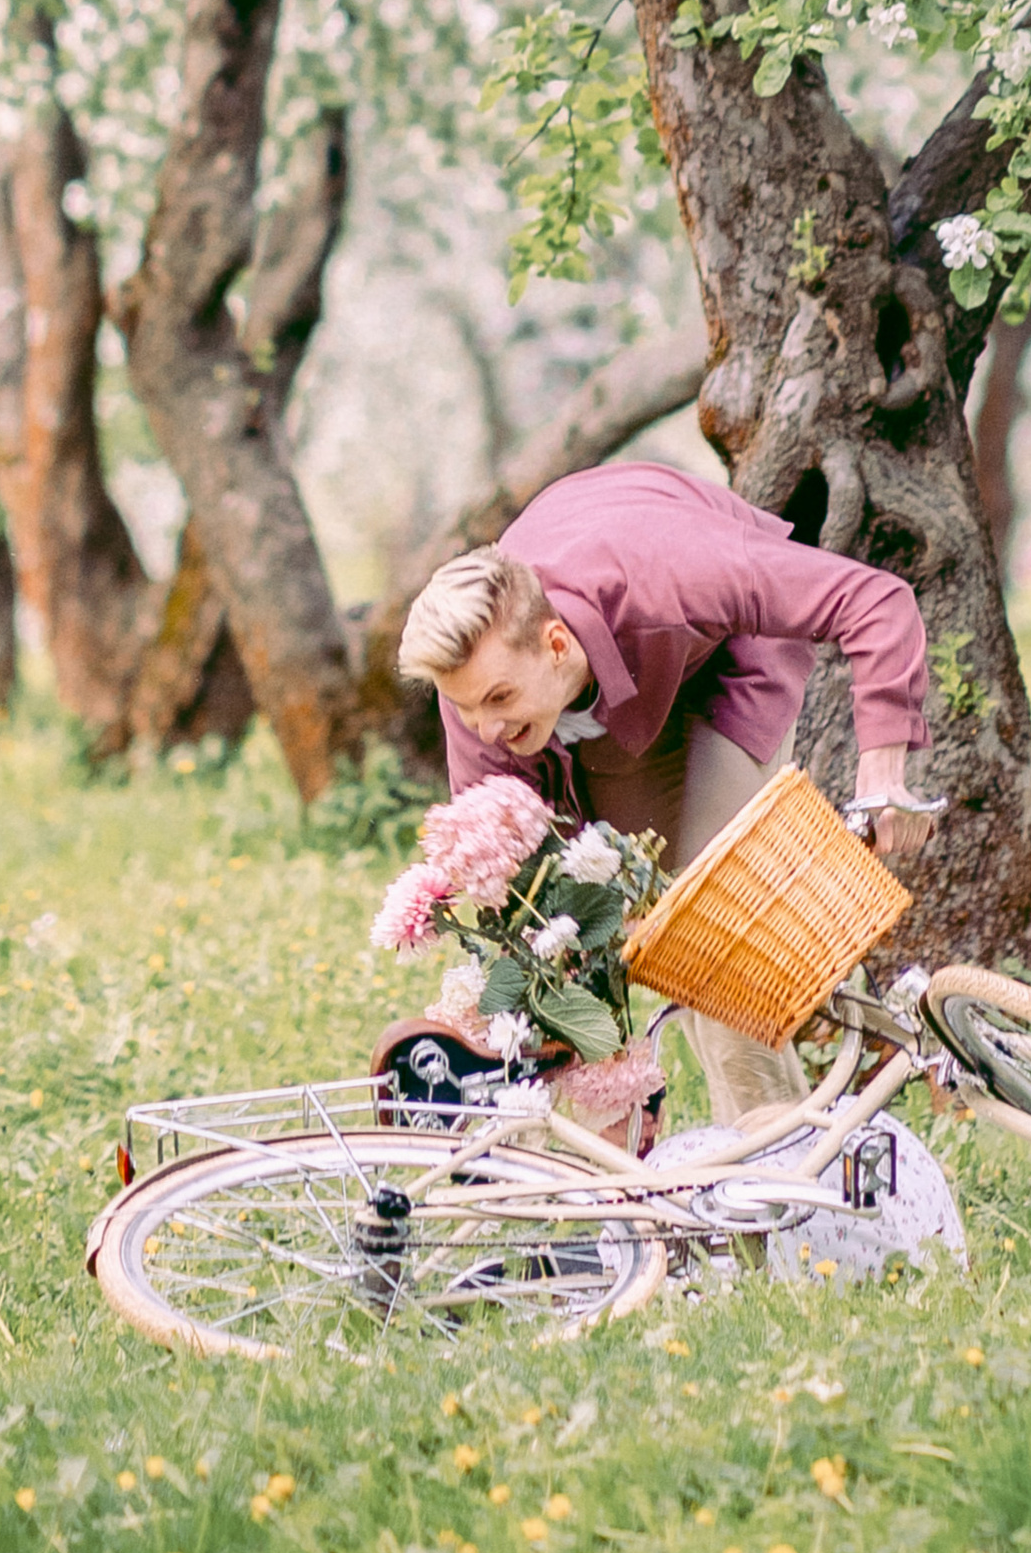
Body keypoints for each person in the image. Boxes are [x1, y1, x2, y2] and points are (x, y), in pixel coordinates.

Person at [397, 459, 942, 1129]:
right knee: (563, 947)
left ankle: (771, 1159)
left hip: (724, 663)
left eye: (499, 699)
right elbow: (529, 917)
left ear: (557, 643)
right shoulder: (480, 698)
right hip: (598, 712)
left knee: (708, 927)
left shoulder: (673, 573)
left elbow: (874, 600)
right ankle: (615, 1194)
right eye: (466, 707)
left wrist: (883, 777)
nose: (485, 725)